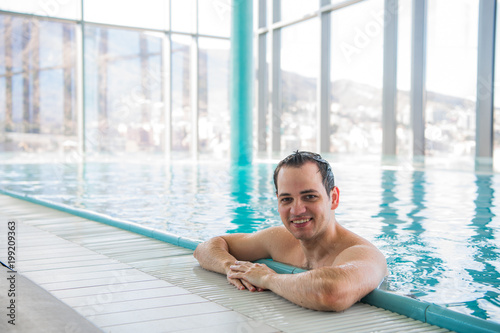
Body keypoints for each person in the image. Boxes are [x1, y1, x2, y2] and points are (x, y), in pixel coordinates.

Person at [194, 151, 387, 311]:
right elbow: (206, 247)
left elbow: (330, 292)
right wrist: (231, 267)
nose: (296, 210)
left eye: (310, 196)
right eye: (286, 199)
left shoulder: (363, 253)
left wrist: (267, 278)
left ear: (333, 198)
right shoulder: (279, 239)